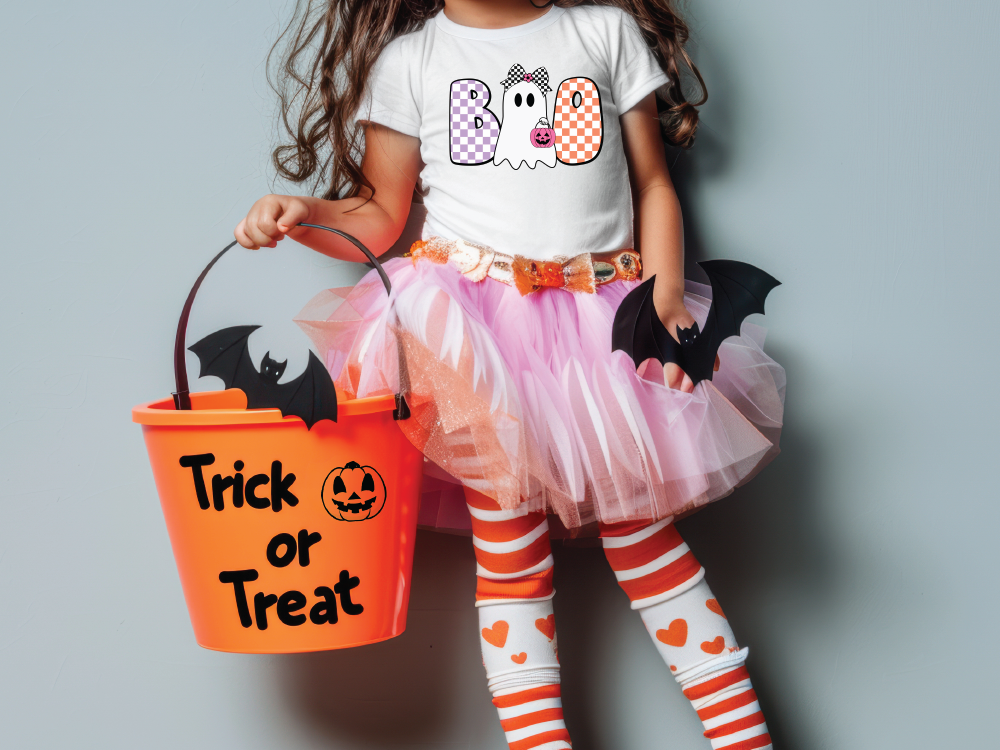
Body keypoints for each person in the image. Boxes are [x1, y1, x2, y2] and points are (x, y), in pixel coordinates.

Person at [237, 2, 784, 748]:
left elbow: (655, 184)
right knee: (510, 556)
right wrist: (303, 211)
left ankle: (746, 741)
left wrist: (663, 317)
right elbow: (379, 214)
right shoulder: (413, 61)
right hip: (472, 337)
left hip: (601, 326)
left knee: (646, 539)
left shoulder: (603, 33)